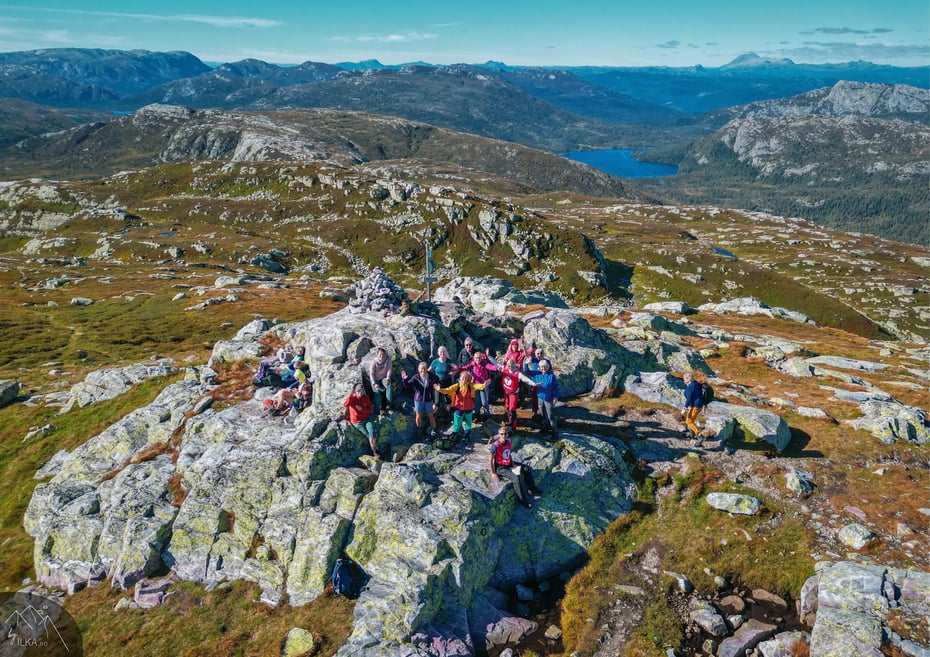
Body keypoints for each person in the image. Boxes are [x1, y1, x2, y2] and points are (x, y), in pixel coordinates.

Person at [489, 426, 540, 509]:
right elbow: (490, 460)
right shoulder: (495, 446)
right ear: (499, 435)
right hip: (500, 467)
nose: (504, 435)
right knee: (516, 479)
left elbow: (508, 454)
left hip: (508, 463)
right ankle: (522, 501)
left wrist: (513, 464)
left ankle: (532, 489)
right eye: (502, 434)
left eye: (505, 433)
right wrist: (493, 473)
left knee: (526, 469)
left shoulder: (509, 442)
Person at [438, 370, 486, 442]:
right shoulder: (457, 386)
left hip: (469, 407)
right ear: (460, 378)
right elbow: (448, 390)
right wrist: (440, 390)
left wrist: (484, 385)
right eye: (463, 378)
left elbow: (477, 386)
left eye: (466, 378)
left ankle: (467, 435)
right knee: (457, 423)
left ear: (468, 379)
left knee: (468, 423)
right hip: (458, 408)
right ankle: (455, 434)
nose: (464, 379)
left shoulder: (470, 386)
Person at [455, 350, 499, 421]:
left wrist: (496, 368)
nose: (478, 359)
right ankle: (477, 415)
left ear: (481, 358)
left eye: (479, 358)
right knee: (476, 401)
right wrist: (458, 369)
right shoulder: (473, 364)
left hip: (483, 385)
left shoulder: (484, 364)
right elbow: (465, 367)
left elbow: (490, 366)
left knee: (484, 401)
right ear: (474, 358)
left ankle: (487, 415)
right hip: (475, 386)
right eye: (476, 358)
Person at [401, 361, 440, 440]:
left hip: (428, 399)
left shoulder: (431, 376)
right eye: (421, 369)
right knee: (418, 415)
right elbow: (407, 385)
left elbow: (437, 379)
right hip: (418, 400)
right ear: (418, 370)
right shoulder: (415, 377)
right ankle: (419, 430)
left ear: (427, 369)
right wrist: (405, 379)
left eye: (424, 369)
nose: (423, 371)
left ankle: (434, 429)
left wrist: (436, 384)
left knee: (430, 414)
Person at [344, 383, 381, 458]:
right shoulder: (352, 399)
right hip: (357, 422)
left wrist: (362, 409)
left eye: (362, 390)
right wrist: (351, 395)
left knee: (372, 431)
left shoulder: (365, 397)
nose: (361, 392)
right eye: (359, 391)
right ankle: (375, 450)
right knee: (368, 435)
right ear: (356, 392)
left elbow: (370, 409)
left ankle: (374, 451)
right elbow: (345, 404)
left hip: (366, 419)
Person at [501, 358, 537, 432]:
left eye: (512, 366)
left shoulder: (518, 373)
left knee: (512, 409)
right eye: (509, 366)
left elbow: (525, 379)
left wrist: (533, 384)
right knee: (507, 407)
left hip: (513, 394)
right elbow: (495, 364)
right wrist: (488, 356)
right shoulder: (505, 369)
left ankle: (513, 425)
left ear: (514, 366)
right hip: (506, 392)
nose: (510, 367)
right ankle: (509, 421)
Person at [532, 359, 560, 438]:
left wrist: (555, 397)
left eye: (545, 367)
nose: (543, 368)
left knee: (551, 415)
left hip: (549, 399)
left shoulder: (551, 376)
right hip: (540, 398)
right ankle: (546, 427)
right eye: (541, 367)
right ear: (539, 368)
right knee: (542, 414)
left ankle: (555, 432)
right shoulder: (537, 376)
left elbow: (556, 387)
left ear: (547, 367)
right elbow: (527, 371)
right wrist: (526, 362)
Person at [429, 346, 454, 416]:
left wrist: (453, 372)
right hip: (438, 384)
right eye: (441, 352)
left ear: (446, 353)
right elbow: (428, 371)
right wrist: (432, 379)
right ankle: (431, 418)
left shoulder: (449, 361)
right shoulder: (435, 362)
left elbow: (456, 369)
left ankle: (448, 417)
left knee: (448, 401)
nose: (442, 353)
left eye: (444, 352)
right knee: (436, 402)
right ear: (438, 353)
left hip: (448, 383)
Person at [367, 347, 394, 414]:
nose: (381, 356)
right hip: (375, 379)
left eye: (383, 355)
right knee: (377, 392)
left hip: (384, 378)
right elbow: (371, 373)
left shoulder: (388, 359)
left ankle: (389, 404)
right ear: (377, 354)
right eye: (380, 355)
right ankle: (380, 407)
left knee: (389, 385)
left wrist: (388, 378)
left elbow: (389, 369)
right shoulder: (374, 362)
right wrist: (374, 383)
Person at [682, 370, 705, 439]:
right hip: (698, 405)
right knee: (690, 419)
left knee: (689, 421)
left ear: (688, 379)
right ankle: (691, 434)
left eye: (684, 379)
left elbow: (689, 398)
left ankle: (700, 435)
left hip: (695, 406)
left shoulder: (690, 386)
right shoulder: (696, 384)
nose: (683, 380)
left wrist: (685, 408)